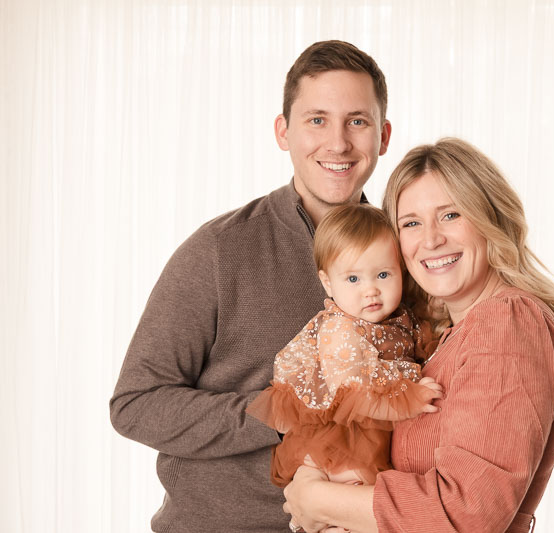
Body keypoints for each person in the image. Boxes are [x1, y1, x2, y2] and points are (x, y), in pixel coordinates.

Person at [109, 40, 392, 533]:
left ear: (383, 135)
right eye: (317, 119)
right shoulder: (219, 250)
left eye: (358, 121)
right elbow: (136, 404)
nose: (338, 143)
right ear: (283, 132)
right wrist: (280, 411)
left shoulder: (407, 255)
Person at [281, 137, 554, 533]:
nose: (431, 239)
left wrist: (320, 500)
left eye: (451, 215)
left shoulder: (507, 322)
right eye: (411, 223)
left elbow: (469, 511)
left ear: (491, 218)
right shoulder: (447, 336)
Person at [245, 204, 443, 490]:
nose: (370, 290)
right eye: (353, 279)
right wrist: (412, 401)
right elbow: (356, 397)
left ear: (402, 270)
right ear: (327, 283)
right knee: (350, 487)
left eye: (383, 275)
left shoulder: (401, 317)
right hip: (344, 437)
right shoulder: (340, 329)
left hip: (378, 432)